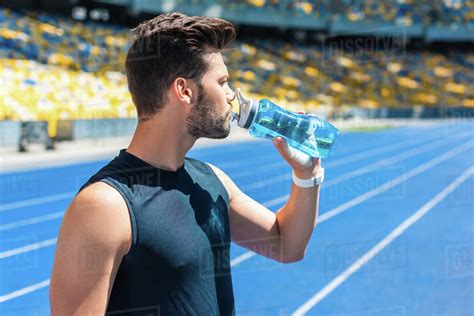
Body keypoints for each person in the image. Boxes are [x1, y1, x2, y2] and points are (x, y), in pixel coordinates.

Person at [50, 12, 324, 315]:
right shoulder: (105, 206)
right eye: (222, 82)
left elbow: (287, 245)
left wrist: (306, 175)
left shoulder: (210, 180)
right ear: (184, 91)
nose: (232, 96)